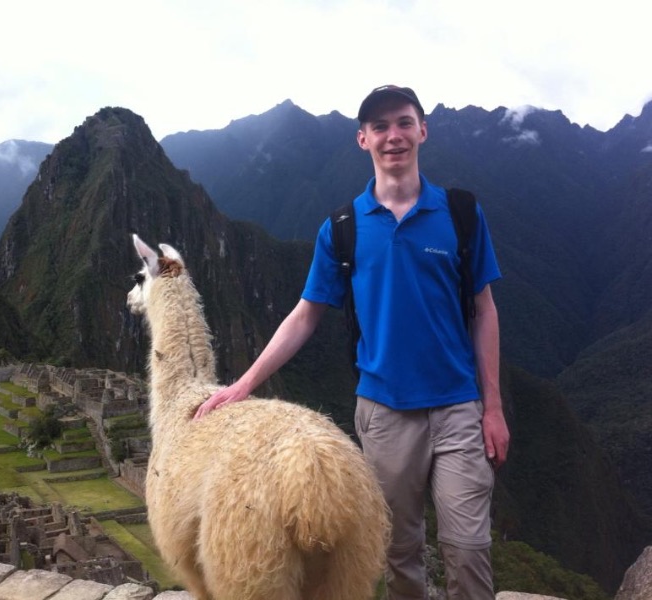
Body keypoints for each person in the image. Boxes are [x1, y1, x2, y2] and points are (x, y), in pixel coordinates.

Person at [195, 84, 510, 600]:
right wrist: (244, 384)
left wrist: (493, 408)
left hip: (458, 407)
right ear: (362, 139)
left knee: (468, 545)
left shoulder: (460, 214)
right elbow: (305, 315)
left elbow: (484, 310)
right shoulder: (342, 229)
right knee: (399, 548)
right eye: (381, 127)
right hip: (384, 414)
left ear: (423, 130)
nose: (394, 136)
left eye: (404, 123)